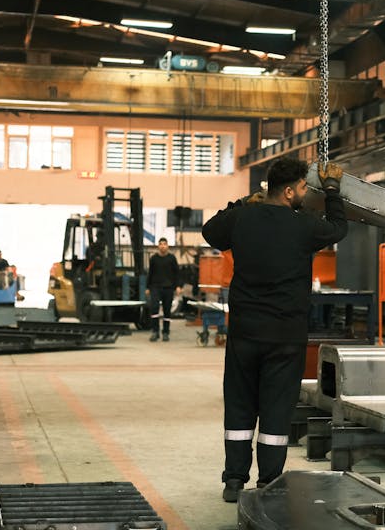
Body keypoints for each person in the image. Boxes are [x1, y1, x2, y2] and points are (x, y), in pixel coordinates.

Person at [202, 156, 347, 503]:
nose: (303, 193)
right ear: (288, 191)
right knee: (275, 409)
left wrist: (242, 202)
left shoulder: (242, 218)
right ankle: (268, 482)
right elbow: (339, 228)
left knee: (239, 406)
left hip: (244, 334)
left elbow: (210, 231)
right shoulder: (304, 226)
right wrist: (331, 190)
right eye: (301, 187)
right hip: (285, 337)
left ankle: (234, 481)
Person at [146, 237, 180, 342]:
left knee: (166, 310)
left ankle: (165, 332)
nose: (163, 246)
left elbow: (177, 273)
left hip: (168, 288)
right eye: (161, 244)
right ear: (158, 246)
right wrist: (148, 287)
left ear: (167, 246)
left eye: (164, 244)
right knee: (154, 308)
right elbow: (150, 273)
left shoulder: (172, 258)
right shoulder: (154, 259)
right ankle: (155, 332)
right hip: (155, 287)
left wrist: (178, 286)